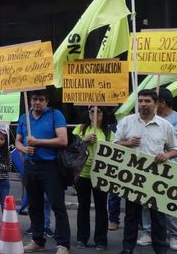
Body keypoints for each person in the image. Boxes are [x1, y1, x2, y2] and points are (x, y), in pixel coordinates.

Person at [114, 89, 177, 254]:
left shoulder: (165, 126)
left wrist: (165, 155)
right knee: (131, 216)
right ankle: (127, 248)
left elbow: (175, 149)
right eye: (140, 101)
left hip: (155, 179)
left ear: (156, 104)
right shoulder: (127, 122)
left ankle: (160, 249)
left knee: (158, 218)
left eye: (147, 101)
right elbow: (114, 144)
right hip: (132, 177)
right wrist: (127, 142)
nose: (143, 104)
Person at [16, 89, 70, 254]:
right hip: (31, 167)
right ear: (30, 100)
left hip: (50, 167)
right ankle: (38, 240)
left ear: (46, 101)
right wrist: (25, 149)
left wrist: (37, 142)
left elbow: (63, 140)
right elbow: (17, 141)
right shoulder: (24, 117)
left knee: (57, 205)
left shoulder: (55, 115)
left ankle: (63, 244)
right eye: (34, 99)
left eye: (40, 99)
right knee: (34, 206)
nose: (36, 102)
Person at [137, 88, 177, 251]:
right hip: (149, 167)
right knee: (146, 202)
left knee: (170, 203)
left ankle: (173, 236)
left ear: (161, 103)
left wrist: (161, 133)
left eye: (152, 101)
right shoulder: (150, 119)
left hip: (172, 168)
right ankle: (147, 232)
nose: (146, 105)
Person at [73, 106, 111, 250]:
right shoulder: (80, 129)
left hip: (101, 174)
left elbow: (114, 149)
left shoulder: (108, 132)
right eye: (91, 111)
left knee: (101, 207)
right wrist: (84, 139)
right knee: (83, 206)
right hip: (83, 173)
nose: (94, 114)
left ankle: (101, 240)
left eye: (98, 111)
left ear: (103, 114)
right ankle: (82, 238)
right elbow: (72, 146)